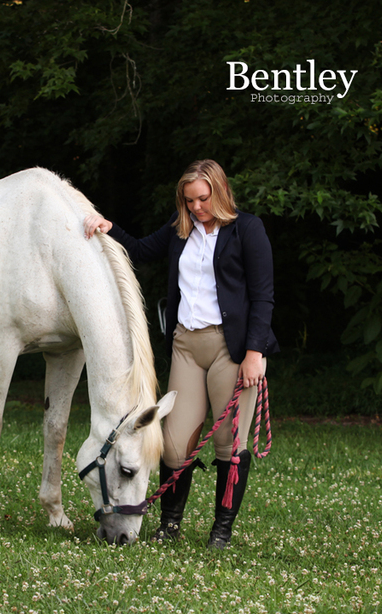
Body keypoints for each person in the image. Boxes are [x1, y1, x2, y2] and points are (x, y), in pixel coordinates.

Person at [84, 159, 279, 549]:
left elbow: (263, 296)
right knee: (172, 444)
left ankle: (220, 531)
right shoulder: (180, 230)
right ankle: (169, 525)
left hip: (234, 348)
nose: (196, 208)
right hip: (186, 346)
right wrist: (109, 227)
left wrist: (255, 352)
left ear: (220, 192)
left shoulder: (247, 229)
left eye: (202, 199)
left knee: (229, 443)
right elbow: (138, 250)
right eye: (189, 201)